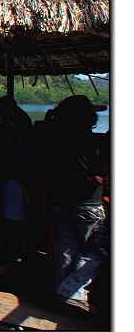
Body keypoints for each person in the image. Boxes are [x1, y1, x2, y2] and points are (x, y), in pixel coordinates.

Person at [38, 95, 108, 314]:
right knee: (98, 248)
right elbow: (104, 168)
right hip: (86, 201)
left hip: (60, 198)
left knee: (66, 248)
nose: (92, 117)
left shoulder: (52, 137)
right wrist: (102, 179)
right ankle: (69, 292)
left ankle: (64, 296)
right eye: (87, 114)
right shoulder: (91, 141)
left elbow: (46, 170)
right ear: (80, 117)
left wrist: (46, 198)